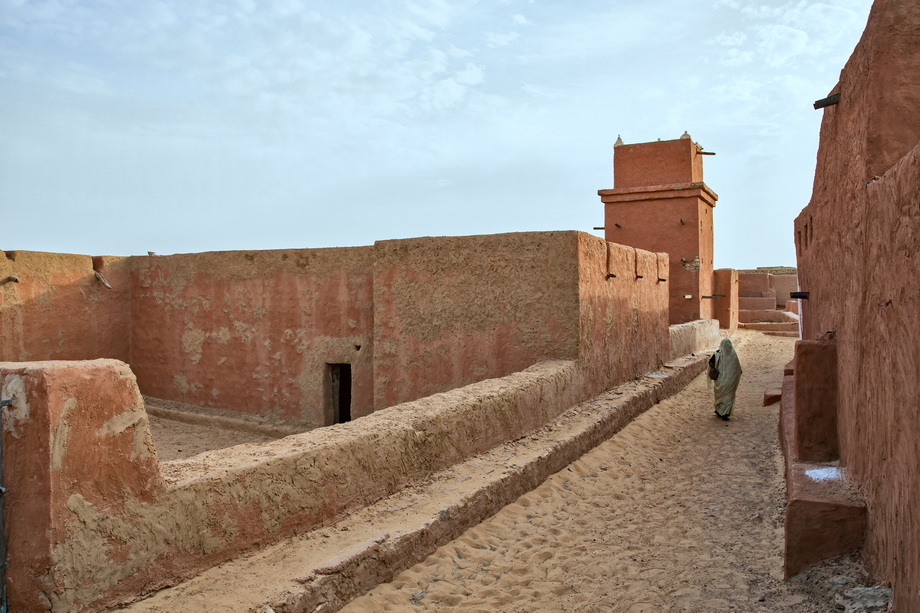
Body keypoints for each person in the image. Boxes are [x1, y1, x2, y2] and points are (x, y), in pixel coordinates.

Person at [711, 338, 742, 421]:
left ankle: (719, 410)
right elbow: (738, 369)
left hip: (720, 382)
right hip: (730, 381)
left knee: (720, 396)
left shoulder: (717, 355)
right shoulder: (733, 355)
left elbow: (711, 365)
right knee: (729, 396)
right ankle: (724, 413)